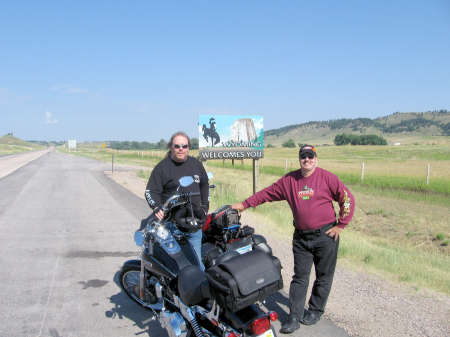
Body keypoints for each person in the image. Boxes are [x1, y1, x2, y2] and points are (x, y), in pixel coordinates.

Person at [231, 145, 355, 334]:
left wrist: (341, 224)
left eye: (310, 156)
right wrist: (245, 204)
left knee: (323, 277)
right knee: (300, 277)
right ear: (299, 159)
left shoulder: (327, 177)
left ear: (316, 158)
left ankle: (315, 311)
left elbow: (346, 198)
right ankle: (294, 316)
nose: (307, 159)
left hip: (325, 236)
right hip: (301, 238)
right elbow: (267, 193)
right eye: (303, 156)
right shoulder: (290, 180)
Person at [145, 131, 210, 270]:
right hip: (171, 226)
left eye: (184, 146)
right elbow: (151, 191)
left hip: (193, 224)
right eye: (177, 146)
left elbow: (205, 185)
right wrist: (157, 207)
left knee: (197, 266)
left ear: (189, 148)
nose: (181, 149)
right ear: (171, 147)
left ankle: (196, 289)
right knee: (173, 266)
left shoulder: (196, 164)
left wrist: (204, 207)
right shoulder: (162, 167)